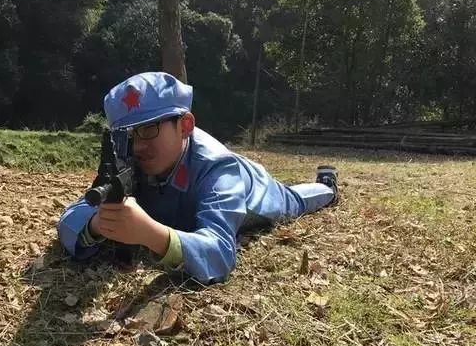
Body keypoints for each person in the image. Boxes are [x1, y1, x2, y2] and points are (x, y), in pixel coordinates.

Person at [58, 72, 338, 284]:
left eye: (149, 129)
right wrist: (96, 225)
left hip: (253, 187)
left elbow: (218, 253)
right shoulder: (129, 158)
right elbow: (72, 218)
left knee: (294, 201)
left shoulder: (218, 169)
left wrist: (154, 235)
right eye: (127, 135)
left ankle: (327, 185)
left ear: (185, 126)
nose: (138, 145)